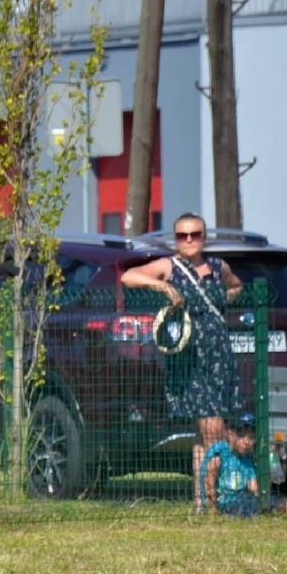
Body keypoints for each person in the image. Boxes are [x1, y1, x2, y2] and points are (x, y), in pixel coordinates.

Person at [120, 213, 243, 510]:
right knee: (213, 430)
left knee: (205, 435)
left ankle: (202, 501)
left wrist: (227, 298)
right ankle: (215, 500)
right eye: (182, 235)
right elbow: (129, 276)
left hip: (218, 353)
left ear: (204, 236)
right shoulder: (169, 266)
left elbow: (236, 285)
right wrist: (163, 287)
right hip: (188, 357)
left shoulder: (217, 266)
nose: (189, 240)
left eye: (195, 234)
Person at [202, 412, 260, 517]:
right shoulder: (220, 451)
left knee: (285, 505)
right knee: (244, 506)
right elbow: (209, 480)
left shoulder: (248, 459)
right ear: (230, 434)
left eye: (251, 437)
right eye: (242, 435)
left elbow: (253, 487)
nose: (247, 442)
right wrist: (213, 509)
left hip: (243, 499)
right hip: (223, 501)